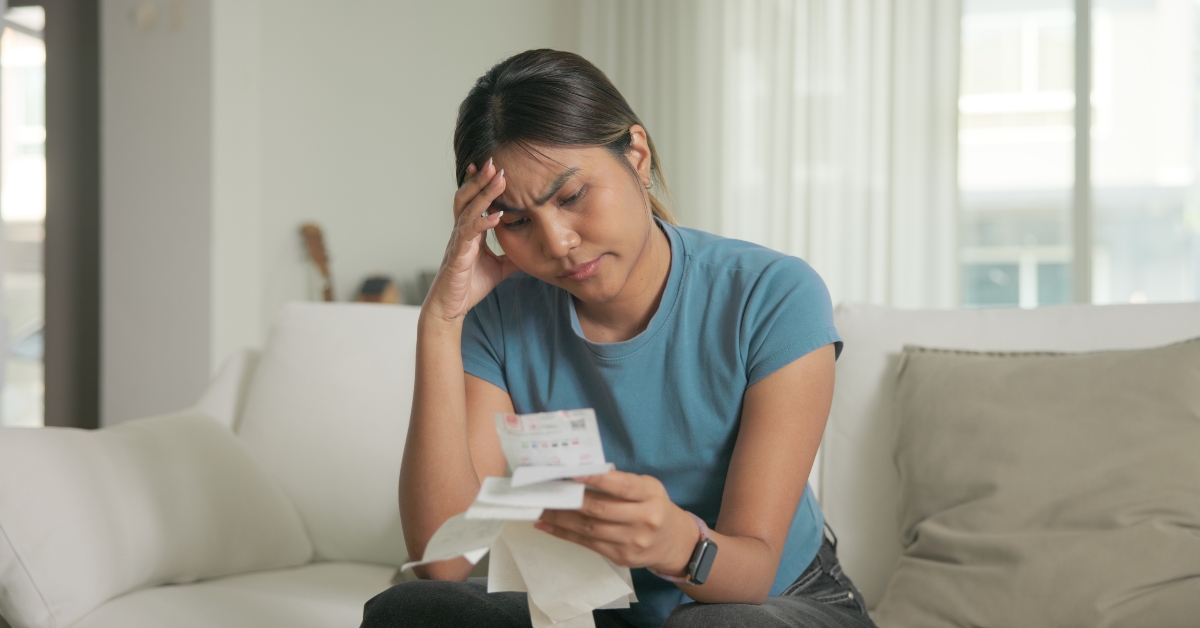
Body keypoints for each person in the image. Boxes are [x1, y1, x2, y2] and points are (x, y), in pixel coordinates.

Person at [361, 49, 876, 628]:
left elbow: (752, 569)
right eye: (517, 221)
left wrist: (674, 541)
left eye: (571, 196)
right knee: (410, 610)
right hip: (597, 605)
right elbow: (446, 561)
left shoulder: (771, 294)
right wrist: (440, 323)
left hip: (773, 600)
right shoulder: (499, 315)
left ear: (636, 154)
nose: (557, 242)